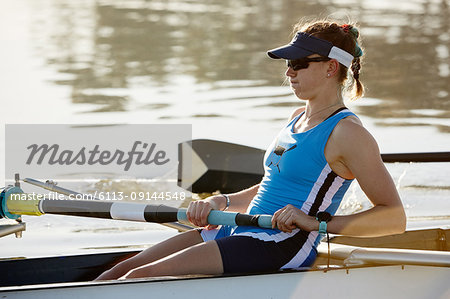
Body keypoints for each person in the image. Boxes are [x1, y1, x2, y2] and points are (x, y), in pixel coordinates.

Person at [95, 20, 406, 280]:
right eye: (288, 64)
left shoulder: (349, 134)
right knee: (117, 272)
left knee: (136, 280)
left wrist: (316, 223)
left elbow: (393, 218)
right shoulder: (297, 117)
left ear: (330, 67)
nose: (289, 73)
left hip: (283, 243)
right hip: (243, 229)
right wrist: (223, 201)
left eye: (299, 63)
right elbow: (274, 184)